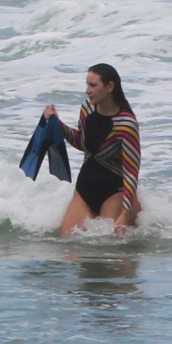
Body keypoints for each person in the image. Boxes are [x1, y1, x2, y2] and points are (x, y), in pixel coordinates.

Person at [43, 63, 140, 236]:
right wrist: (57, 124)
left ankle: (134, 210)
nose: (88, 90)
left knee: (108, 248)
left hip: (113, 192)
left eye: (93, 85)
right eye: (87, 85)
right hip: (85, 188)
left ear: (110, 86)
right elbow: (82, 143)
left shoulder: (126, 124)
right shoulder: (86, 110)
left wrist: (125, 214)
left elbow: (131, 171)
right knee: (68, 245)